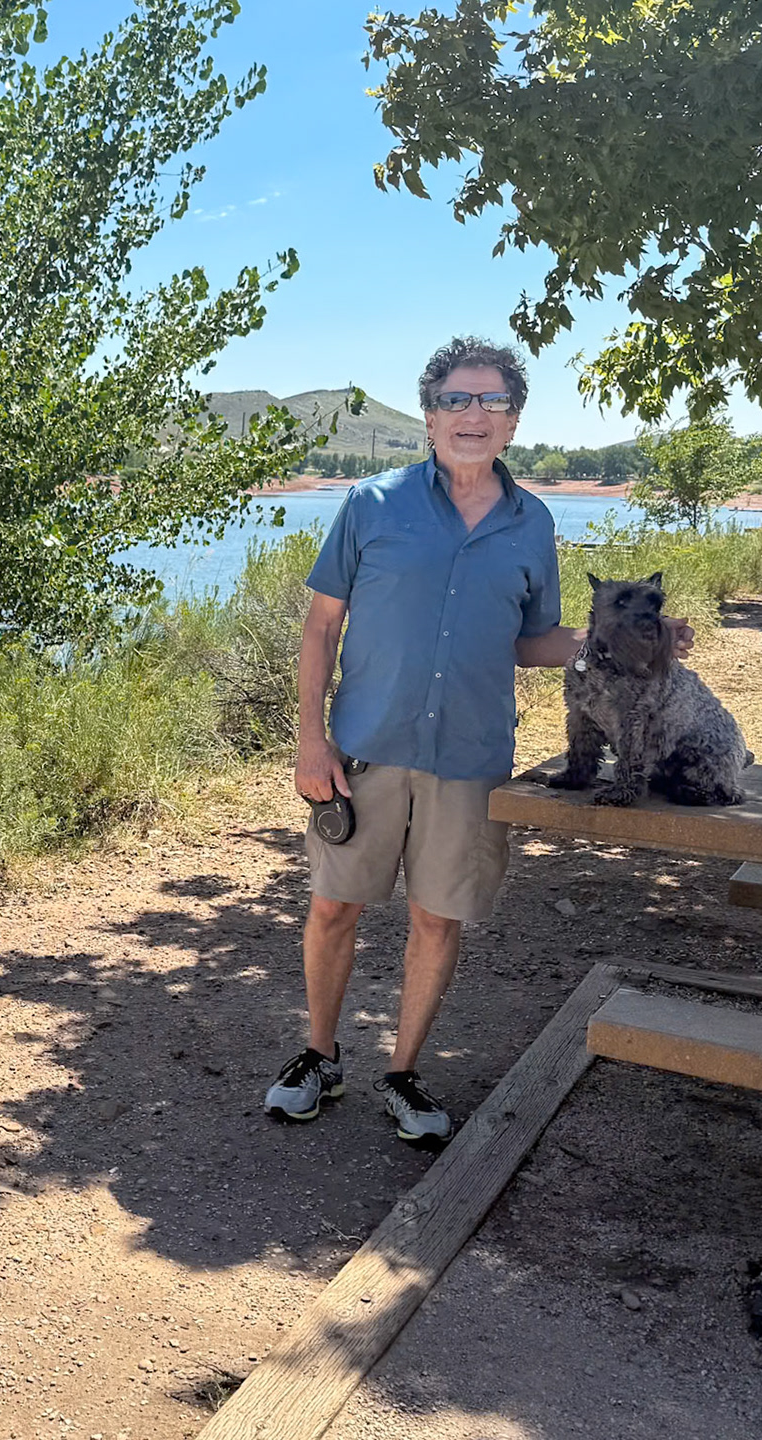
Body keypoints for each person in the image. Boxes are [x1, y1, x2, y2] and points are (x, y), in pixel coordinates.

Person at [264, 337, 690, 1144]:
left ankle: (403, 1073)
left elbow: (531, 641)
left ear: (514, 421)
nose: (473, 414)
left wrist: (615, 638)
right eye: (456, 400)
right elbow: (321, 628)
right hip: (364, 752)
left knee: (438, 919)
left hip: (469, 759)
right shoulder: (371, 504)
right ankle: (318, 1056)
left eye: (492, 401)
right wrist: (310, 742)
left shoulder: (533, 524)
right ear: (429, 417)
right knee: (333, 906)